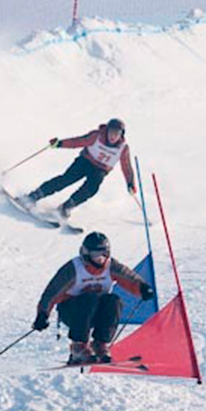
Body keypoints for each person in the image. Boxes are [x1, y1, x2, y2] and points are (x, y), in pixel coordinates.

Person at [32, 232, 156, 365]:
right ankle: (78, 346)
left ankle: (100, 344)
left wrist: (142, 288)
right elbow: (52, 292)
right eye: (96, 254)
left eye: (104, 254)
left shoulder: (110, 266)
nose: (100, 259)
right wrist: (42, 314)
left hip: (96, 314)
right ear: (86, 253)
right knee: (89, 298)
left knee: (113, 300)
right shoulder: (74, 268)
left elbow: (128, 277)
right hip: (72, 313)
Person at [18, 118, 135, 221]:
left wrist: (130, 183)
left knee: (92, 188)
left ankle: (66, 207)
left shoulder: (123, 148)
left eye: (116, 133)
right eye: (111, 132)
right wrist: (59, 143)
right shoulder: (97, 136)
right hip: (85, 161)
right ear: (107, 130)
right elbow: (78, 141)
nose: (113, 136)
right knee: (66, 179)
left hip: (100, 170)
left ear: (121, 135)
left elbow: (127, 167)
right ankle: (34, 196)